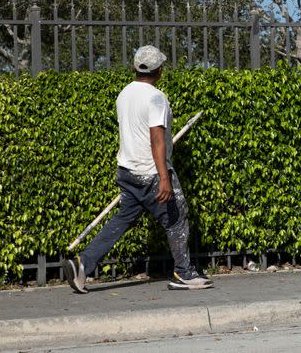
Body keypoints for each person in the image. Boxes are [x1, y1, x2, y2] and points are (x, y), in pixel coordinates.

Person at [61, 45, 212, 292]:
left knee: (121, 220)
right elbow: (156, 140)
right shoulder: (156, 97)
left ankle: (82, 265)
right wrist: (164, 177)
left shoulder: (124, 94)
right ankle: (184, 272)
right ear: (159, 70)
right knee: (176, 218)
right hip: (150, 172)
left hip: (127, 170)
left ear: (135, 67)